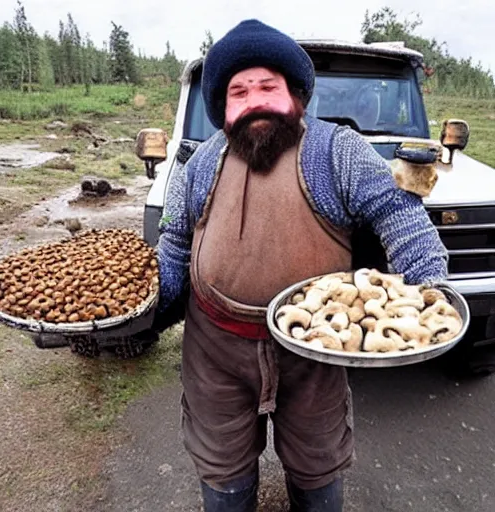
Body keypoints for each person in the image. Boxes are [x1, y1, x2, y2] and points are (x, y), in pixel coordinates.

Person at [153, 19, 448, 512]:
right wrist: (148, 311)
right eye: (239, 92)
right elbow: (175, 246)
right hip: (216, 353)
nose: (255, 101)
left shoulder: (338, 152)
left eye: (269, 87)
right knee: (222, 474)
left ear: (296, 96)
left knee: (317, 470)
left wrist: (426, 296)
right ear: (223, 109)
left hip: (316, 352)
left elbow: (401, 218)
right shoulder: (199, 163)